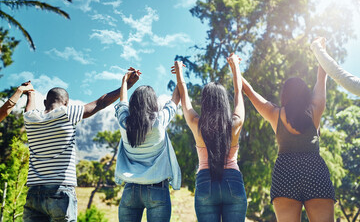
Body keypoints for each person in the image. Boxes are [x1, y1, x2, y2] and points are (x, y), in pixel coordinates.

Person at [22, 67, 140, 222]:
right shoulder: (67, 113)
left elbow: (29, 107)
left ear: (45, 102)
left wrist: (30, 93)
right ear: (66, 103)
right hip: (60, 191)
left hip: (34, 193)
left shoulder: (30, 119)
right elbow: (101, 102)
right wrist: (126, 86)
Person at [241, 60, 335, 221]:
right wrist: (321, 50)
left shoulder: (274, 113)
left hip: (285, 174)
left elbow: (248, 91)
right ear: (306, 94)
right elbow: (321, 78)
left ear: (284, 95)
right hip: (315, 172)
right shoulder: (315, 109)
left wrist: (235, 67)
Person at [172, 54, 247, 222]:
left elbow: (185, 99)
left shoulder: (196, 123)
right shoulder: (235, 124)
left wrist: (179, 74)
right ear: (224, 103)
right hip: (233, 181)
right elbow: (238, 94)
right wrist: (235, 67)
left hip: (206, 181)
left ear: (204, 102)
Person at [114, 71, 181, 222]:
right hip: (157, 188)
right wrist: (179, 75)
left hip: (130, 190)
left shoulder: (124, 123)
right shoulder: (159, 121)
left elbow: (122, 102)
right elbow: (175, 100)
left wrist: (124, 81)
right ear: (153, 103)